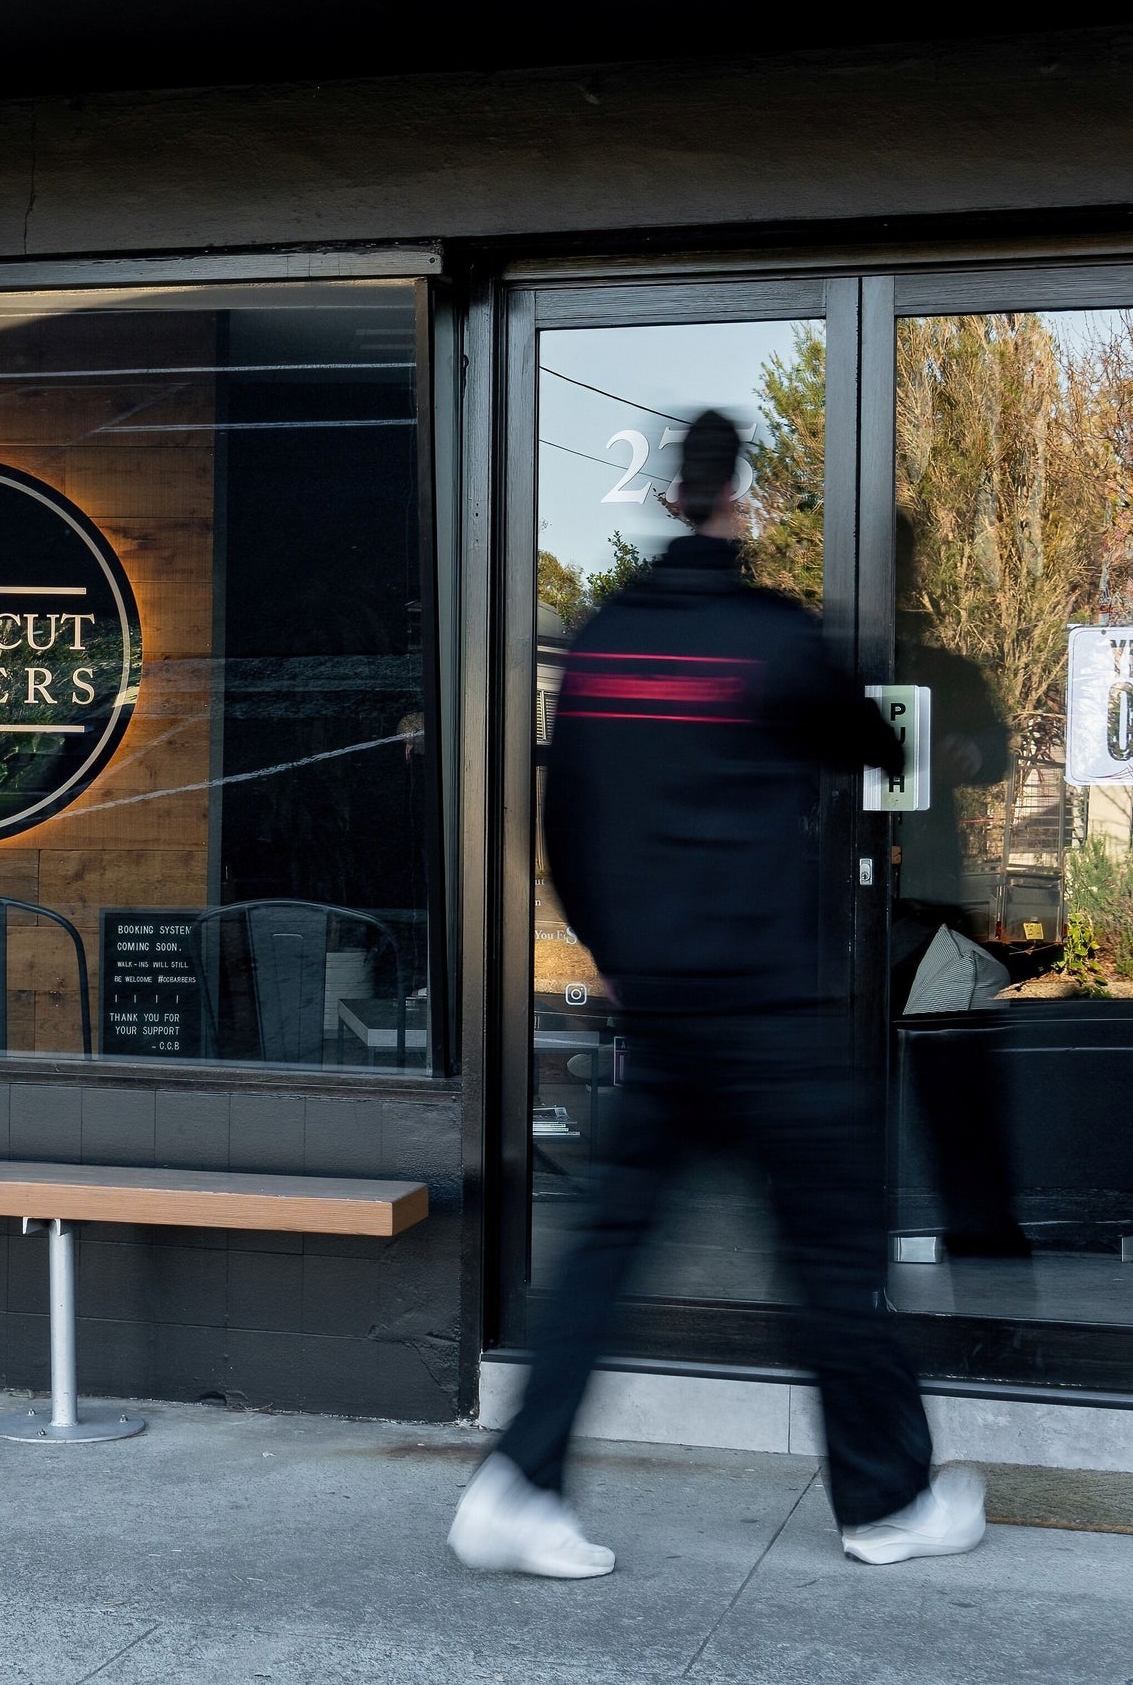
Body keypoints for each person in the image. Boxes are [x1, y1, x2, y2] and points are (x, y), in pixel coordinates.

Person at [451, 410, 987, 1580]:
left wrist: (617, 950)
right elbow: (875, 743)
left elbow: (564, 826)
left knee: (604, 1250)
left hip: (662, 1005)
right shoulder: (765, 634)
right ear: (735, 501)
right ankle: (887, 1502)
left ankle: (519, 1480)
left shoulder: (604, 640)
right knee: (834, 1256)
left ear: (669, 498)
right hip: (766, 1011)